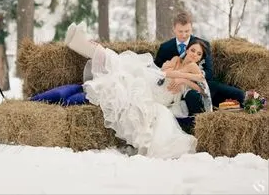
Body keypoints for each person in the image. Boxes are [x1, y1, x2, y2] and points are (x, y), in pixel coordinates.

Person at [64, 22, 210, 159]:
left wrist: (183, 80)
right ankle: (82, 44)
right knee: (121, 64)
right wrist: (176, 74)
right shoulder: (176, 59)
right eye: (193, 50)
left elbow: (202, 85)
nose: (194, 55)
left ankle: (81, 44)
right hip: (154, 83)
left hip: (162, 95)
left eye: (199, 54)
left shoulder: (193, 66)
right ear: (187, 49)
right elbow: (164, 72)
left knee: (122, 69)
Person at [154, 11, 245, 115]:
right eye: (180, 31)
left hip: (203, 85)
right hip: (178, 92)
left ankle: (247, 101)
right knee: (194, 96)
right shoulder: (165, 48)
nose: (184, 35)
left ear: (191, 28)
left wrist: (192, 77)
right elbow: (157, 71)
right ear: (174, 29)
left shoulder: (203, 44)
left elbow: (209, 73)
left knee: (229, 93)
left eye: (187, 31)